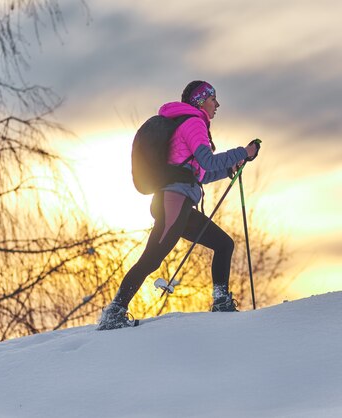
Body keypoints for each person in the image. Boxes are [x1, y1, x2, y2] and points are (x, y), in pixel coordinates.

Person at [97, 81, 260, 330]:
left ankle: (221, 302)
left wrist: (229, 169)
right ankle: (114, 313)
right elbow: (207, 160)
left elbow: (201, 173)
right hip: (173, 201)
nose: (217, 104)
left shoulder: (191, 124)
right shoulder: (193, 122)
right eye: (213, 99)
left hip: (180, 203)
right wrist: (243, 152)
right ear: (201, 100)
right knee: (152, 259)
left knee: (224, 244)